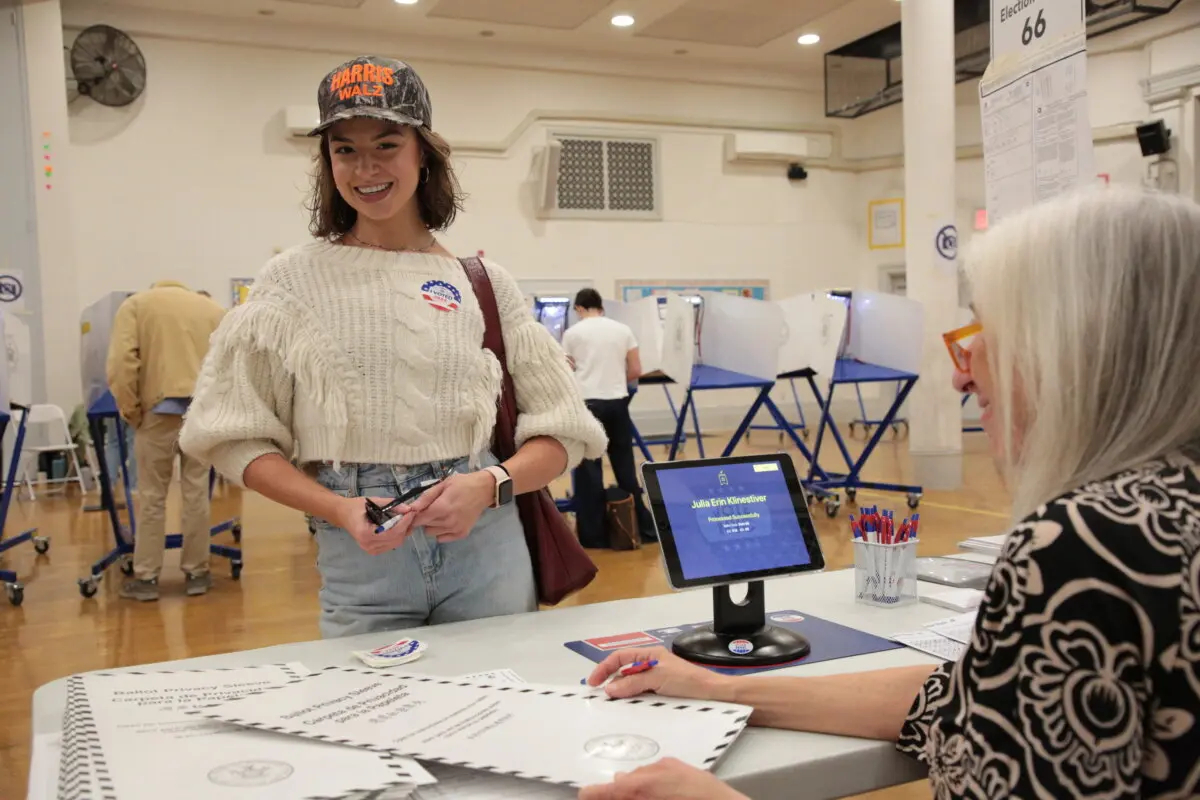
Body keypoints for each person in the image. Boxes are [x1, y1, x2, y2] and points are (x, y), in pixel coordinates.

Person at [577, 187, 1200, 799]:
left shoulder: (1083, 547)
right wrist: (719, 687)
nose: (962, 371)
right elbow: (971, 696)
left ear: (1074, 346)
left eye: (986, 328)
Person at [180, 56, 605, 638]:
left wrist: (488, 485)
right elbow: (230, 435)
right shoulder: (290, 281)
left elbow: (563, 432)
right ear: (327, 164)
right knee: (373, 715)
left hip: (487, 545)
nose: (366, 168)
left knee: (502, 706)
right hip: (363, 559)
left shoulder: (483, 281)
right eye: (345, 150)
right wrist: (335, 508)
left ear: (422, 154)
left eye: (386, 144)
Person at [106, 280, 226, 600]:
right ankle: (197, 573)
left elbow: (121, 364)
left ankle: (146, 578)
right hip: (202, 414)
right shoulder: (214, 310)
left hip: (158, 411)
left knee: (152, 496)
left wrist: (131, 411)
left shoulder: (137, 305)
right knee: (197, 493)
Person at [562, 288, 654, 546]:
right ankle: (644, 529)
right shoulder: (622, 330)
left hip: (586, 405)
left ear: (579, 308)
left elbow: (566, 373)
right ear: (600, 306)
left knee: (589, 471)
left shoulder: (572, 334)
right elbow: (636, 370)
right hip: (617, 403)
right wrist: (613, 382)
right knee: (624, 467)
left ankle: (594, 537)